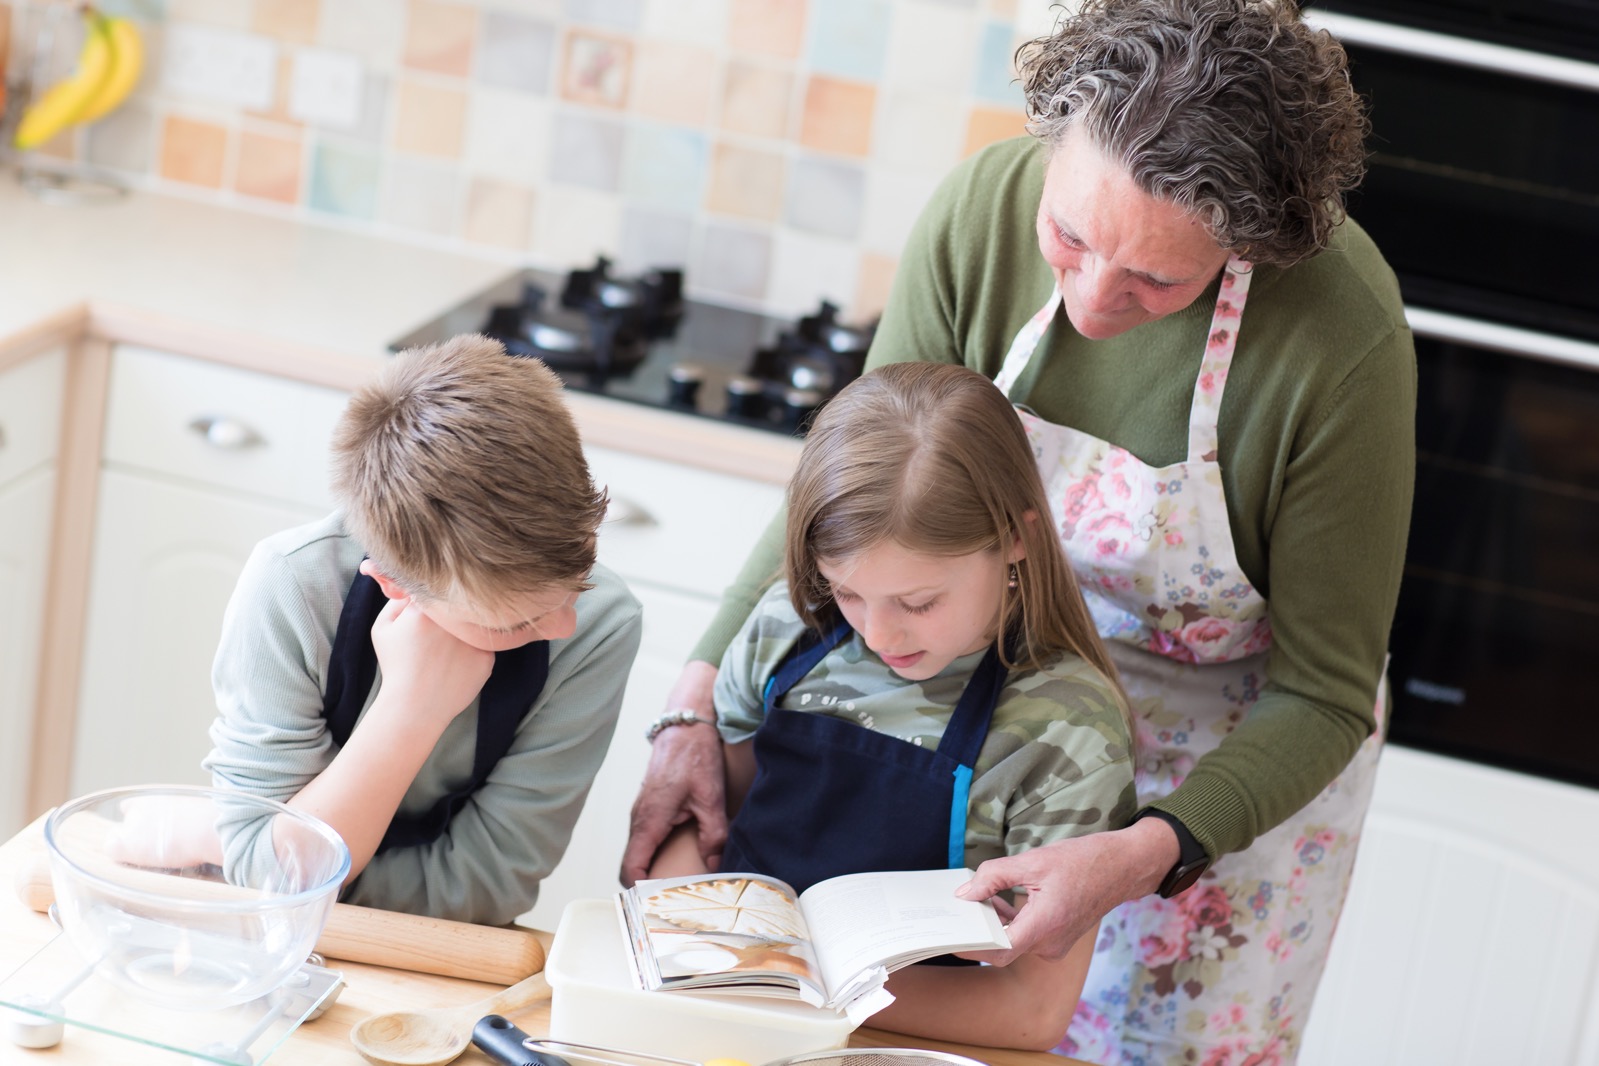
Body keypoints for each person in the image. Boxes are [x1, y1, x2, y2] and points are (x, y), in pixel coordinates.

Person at [624, 0, 1415, 1061]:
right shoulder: (979, 214)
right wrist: (691, 702)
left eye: (1156, 280)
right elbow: (855, 488)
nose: (1092, 299)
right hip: (982, 705)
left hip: (1227, 756)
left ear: (1252, 243)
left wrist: (1146, 847)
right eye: (1071, 237)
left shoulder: (1338, 337)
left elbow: (1322, 692)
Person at [647, 361, 1138, 1051]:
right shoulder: (785, 630)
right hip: (726, 1018)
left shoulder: (1066, 730)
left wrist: (801, 979)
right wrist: (690, 944)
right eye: (846, 592)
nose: (877, 635)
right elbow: (704, 830)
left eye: (917, 602)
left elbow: (1028, 1011)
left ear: (1016, 537)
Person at [205, 334, 642, 926]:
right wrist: (410, 709)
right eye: (516, 622)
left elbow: (489, 887)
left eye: (580, 580)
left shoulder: (601, 625)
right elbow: (272, 878)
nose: (563, 625)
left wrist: (218, 842)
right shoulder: (290, 586)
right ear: (395, 586)